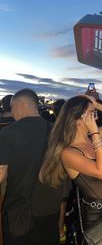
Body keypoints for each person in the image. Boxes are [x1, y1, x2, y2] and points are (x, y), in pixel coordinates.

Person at [39, 95, 102, 244]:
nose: (95, 117)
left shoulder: (91, 141)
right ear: (77, 119)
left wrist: (96, 104)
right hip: (95, 217)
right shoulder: (68, 152)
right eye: (91, 113)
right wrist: (95, 133)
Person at [0, 89, 64, 245]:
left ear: (21, 104)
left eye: (12, 108)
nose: (12, 113)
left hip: (20, 211)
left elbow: (1, 173)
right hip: (51, 209)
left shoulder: (7, 133)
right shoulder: (57, 132)